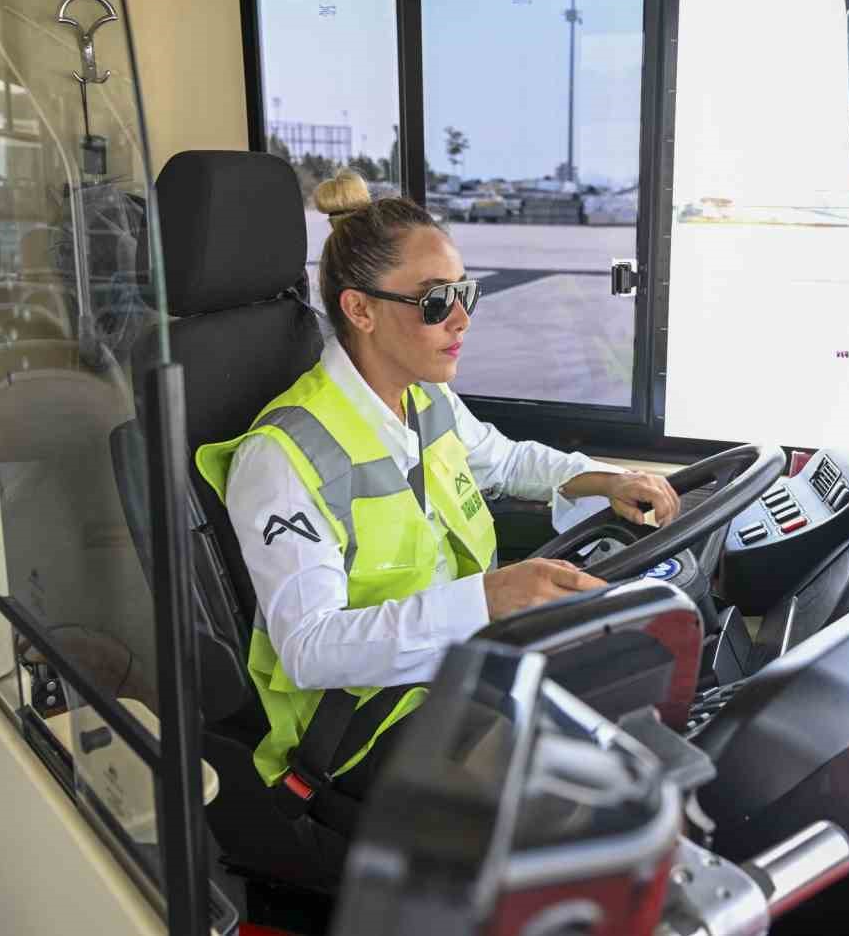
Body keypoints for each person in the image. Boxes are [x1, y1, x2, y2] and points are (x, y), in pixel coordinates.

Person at [195, 169, 680, 800]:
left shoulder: (425, 399)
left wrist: (606, 478)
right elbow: (310, 649)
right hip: (372, 723)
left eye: (464, 294)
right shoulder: (283, 458)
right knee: (605, 785)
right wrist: (488, 599)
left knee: (642, 706)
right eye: (433, 303)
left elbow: (502, 461)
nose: (461, 320)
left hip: (464, 669)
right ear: (360, 309)